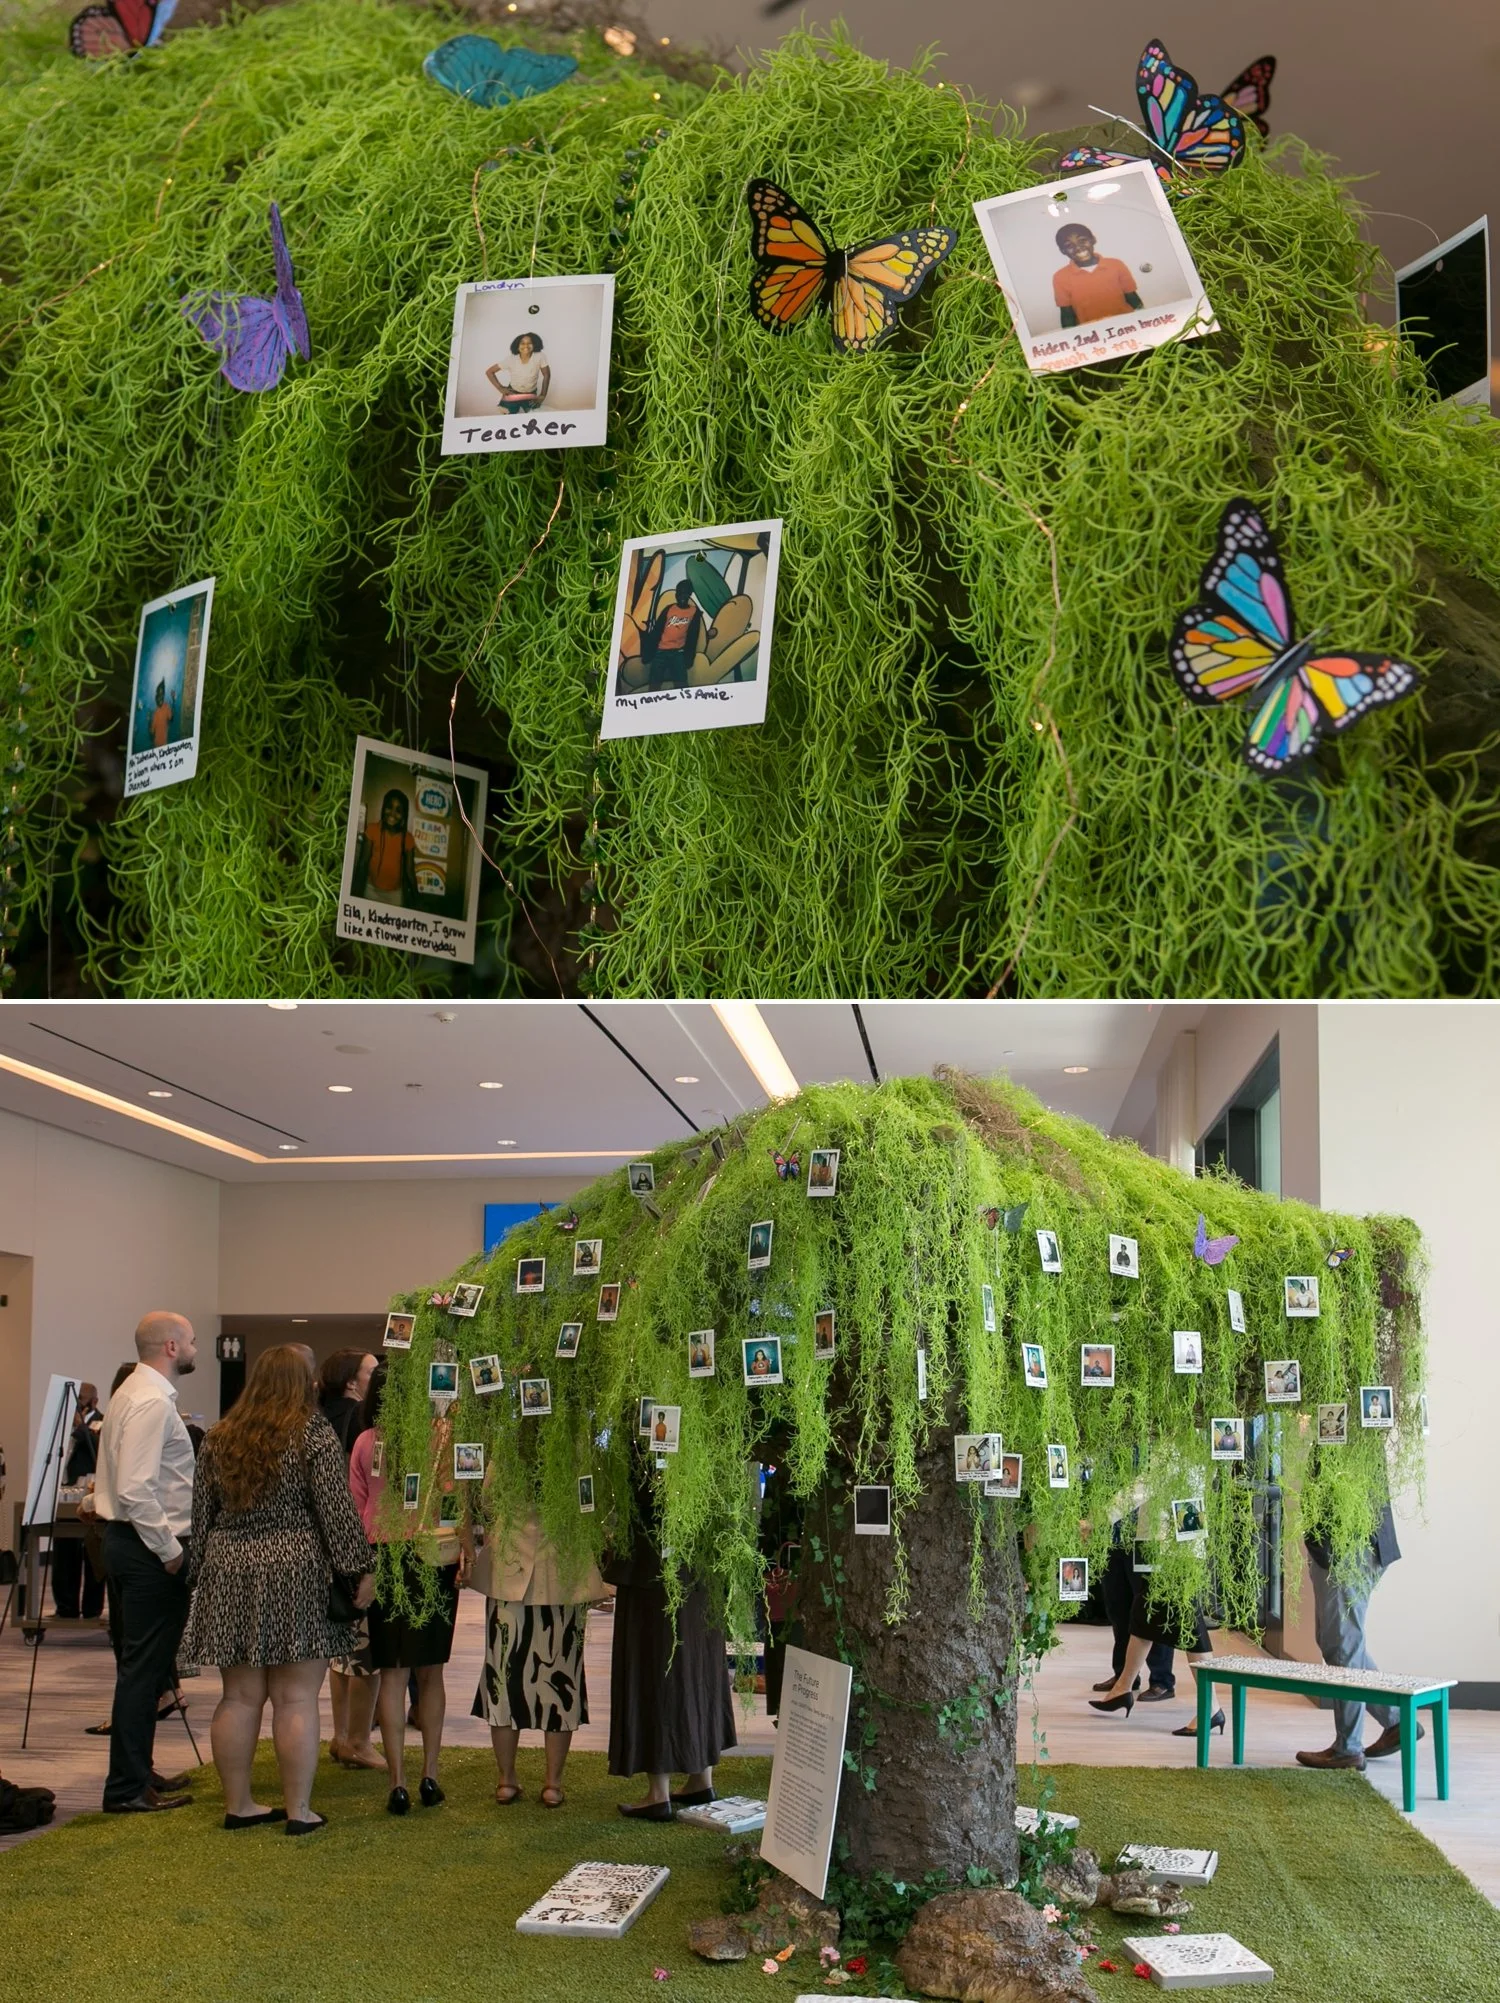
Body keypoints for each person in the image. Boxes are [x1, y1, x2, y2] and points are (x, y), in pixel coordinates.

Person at [181, 1345, 374, 1834]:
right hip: (295, 1568)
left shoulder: (220, 1436)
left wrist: (201, 1575)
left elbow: (200, 1519)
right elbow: (336, 1513)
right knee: (295, 1698)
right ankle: (298, 1810)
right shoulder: (311, 1433)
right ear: (302, 1383)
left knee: (238, 1697)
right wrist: (359, 1570)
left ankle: (238, 1804)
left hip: (229, 1569)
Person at [349, 1363, 468, 1814]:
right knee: (431, 1672)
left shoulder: (364, 1442)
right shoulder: (442, 1435)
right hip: (433, 1557)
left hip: (385, 1560)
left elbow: (358, 1508)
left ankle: (397, 1781)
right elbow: (455, 1496)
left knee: (393, 1675)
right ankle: (430, 1775)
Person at [94, 1313, 200, 1813]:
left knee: (149, 1670)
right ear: (173, 1346)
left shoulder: (133, 1393)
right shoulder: (152, 1401)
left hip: (132, 1544)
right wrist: (172, 1552)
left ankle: (139, 1774)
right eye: (194, 1340)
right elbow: (137, 1490)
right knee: (143, 1672)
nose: (198, 1347)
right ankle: (126, 1788)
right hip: (147, 1549)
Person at [607, 1452, 737, 1819]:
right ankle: (701, 1777)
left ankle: (659, 1791)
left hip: (655, 1570)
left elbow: (636, 1496)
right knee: (696, 1663)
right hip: (698, 1566)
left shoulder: (642, 1430)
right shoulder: (707, 1430)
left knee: (657, 1664)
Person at [469, 1501, 605, 1809]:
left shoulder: (507, 1451)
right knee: (559, 1680)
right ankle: (552, 1785)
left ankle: (506, 1780)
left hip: (510, 1571)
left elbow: (490, 1500)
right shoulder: (575, 1450)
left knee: (503, 1681)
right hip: (562, 1570)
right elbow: (590, 1500)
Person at [1296, 1499, 1408, 1770]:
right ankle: (1396, 1720)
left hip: (1346, 1548)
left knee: (1344, 1646)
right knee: (1334, 1644)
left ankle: (1348, 1748)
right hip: (1344, 1546)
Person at [317, 1348, 382, 1771]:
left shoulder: (319, 1420)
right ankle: (358, 1740)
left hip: (330, 1547)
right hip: (359, 1543)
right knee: (366, 1650)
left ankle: (342, 1737)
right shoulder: (357, 1428)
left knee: (343, 1650)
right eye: (371, 1372)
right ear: (352, 1380)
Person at [52, 1382, 105, 1620]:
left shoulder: (101, 1422)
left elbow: (99, 1451)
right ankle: (66, 1607)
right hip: (66, 1490)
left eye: (81, 1399)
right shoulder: (64, 1427)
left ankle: (92, 1609)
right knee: (64, 1553)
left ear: (93, 1401)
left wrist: (81, 1427)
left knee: (92, 1555)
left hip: (90, 1493)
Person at [1052, 223, 1144, 329]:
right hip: (1091, 332)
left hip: (1126, 325)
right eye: (1069, 245)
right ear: (1063, 251)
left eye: (1082, 240)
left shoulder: (1116, 264)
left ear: (1093, 240)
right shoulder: (1060, 277)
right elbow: (1067, 314)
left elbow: (1132, 297)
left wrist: (1144, 320)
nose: (1077, 247)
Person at [353, 788, 417, 906]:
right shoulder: (372, 829)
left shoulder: (408, 838)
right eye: (389, 807)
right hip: (371, 889)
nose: (392, 813)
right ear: (383, 808)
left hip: (395, 895)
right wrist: (355, 892)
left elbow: (410, 871)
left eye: (398, 810)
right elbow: (363, 862)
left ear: (404, 815)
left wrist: (417, 899)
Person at [641, 580, 703, 690]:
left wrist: (689, 658)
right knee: (654, 685)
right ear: (676, 595)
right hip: (661, 651)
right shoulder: (669, 609)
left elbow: (693, 637)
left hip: (678, 653)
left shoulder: (694, 612)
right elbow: (657, 630)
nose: (682, 597)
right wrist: (649, 652)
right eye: (680, 593)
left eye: (685, 594)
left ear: (690, 595)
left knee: (681, 685)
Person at [485, 330, 550, 413]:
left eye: (529, 343)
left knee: (532, 417)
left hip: (530, 394)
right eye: (522, 343)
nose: (526, 345)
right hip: (513, 393)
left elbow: (546, 374)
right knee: (508, 417)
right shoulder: (511, 359)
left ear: (534, 344)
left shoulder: (539, 356)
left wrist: (542, 396)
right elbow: (489, 372)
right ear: (517, 346)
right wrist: (500, 388)